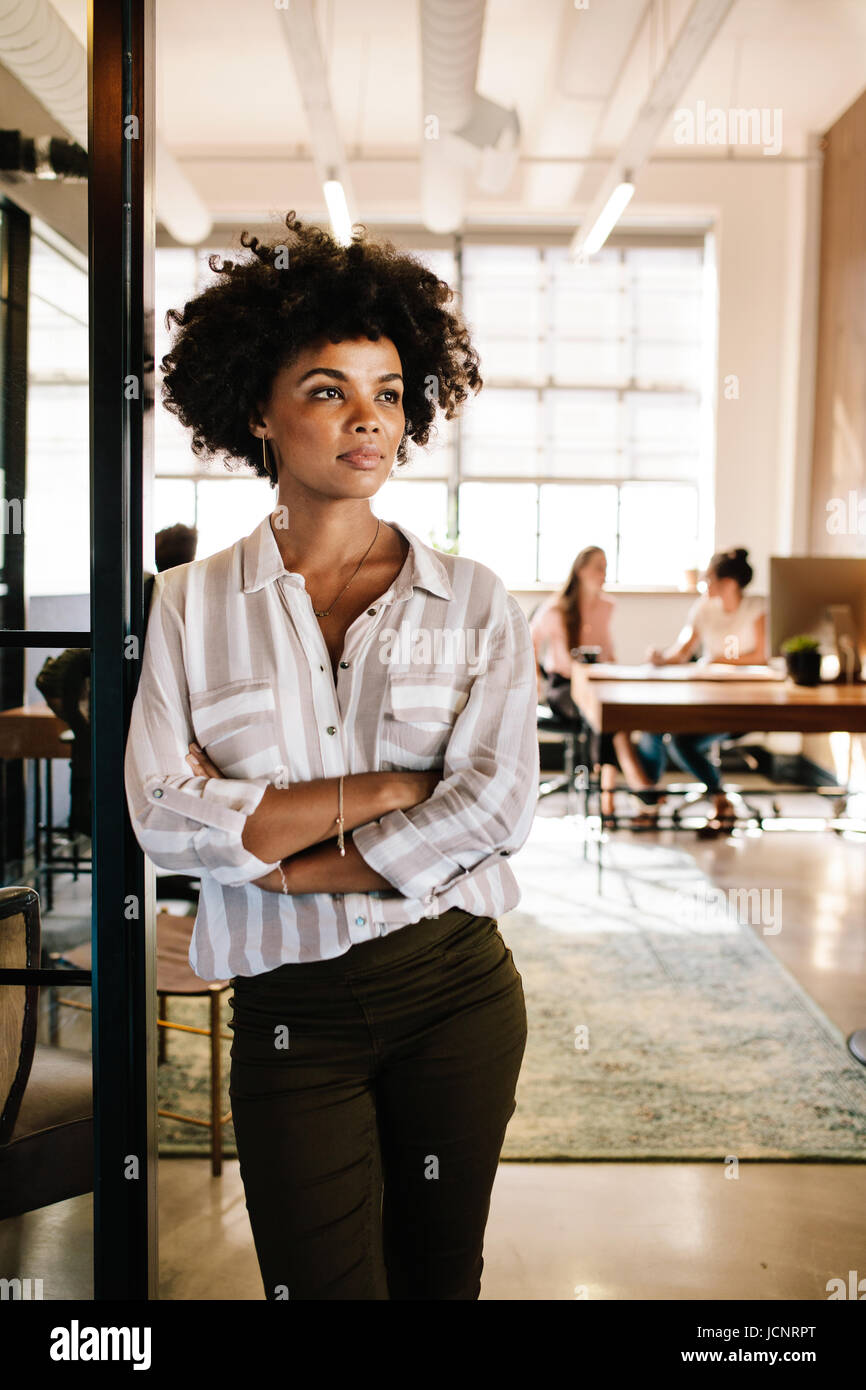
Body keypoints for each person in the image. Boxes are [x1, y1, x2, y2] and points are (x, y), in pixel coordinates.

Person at [123, 210, 539, 1301]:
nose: (369, 421)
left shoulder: (474, 599)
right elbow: (166, 817)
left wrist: (287, 857)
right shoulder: (187, 604)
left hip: (454, 988)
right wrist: (391, 787)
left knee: (438, 1277)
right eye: (327, 390)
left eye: (389, 392)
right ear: (258, 409)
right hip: (288, 1014)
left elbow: (494, 806)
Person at [639, 546, 767, 834]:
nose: (704, 584)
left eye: (708, 578)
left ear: (728, 583)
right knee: (655, 727)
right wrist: (661, 658)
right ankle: (651, 801)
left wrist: (719, 659)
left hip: (744, 703)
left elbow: (761, 657)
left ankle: (719, 799)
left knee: (682, 743)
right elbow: (682, 652)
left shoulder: (756, 607)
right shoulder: (703, 608)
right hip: (707, 699)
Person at [529, 545, 658, 821]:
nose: (604, 573)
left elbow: (608, 651)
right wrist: (535, 683)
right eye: (599, 566)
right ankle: (622, 789)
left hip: (599, 681)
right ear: (581, 570)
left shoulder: (606, 607)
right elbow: (529, 643)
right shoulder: (556, 609)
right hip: (564, 686)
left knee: (611, 714)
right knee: (604, 717)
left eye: (606, 567)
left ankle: (611, 795)